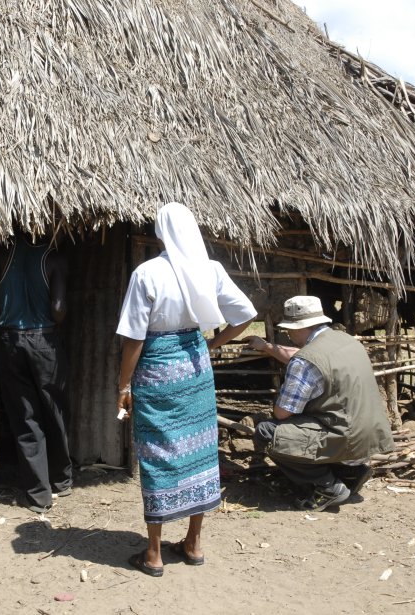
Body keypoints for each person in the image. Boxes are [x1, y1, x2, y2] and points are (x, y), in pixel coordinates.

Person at [116, 202, 257, 577]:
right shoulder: (209, 271)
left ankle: (154, 554)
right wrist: (211, 345)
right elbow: (245, 315)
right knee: (198, 451)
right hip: (196, 368)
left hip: (157, 370)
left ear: (161, 233)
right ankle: (193, 543)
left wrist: (123, 384)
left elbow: (133, 338)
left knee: (157, 454)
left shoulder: (147, 274)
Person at [244, 295, 395, 512]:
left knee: (268, 431)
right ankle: (349, 471)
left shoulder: (305, 361)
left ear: (298, 327)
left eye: (289, 329)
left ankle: (327, 486)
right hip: (370, 435)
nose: (287, 333)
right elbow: (309, 358)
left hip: (345, 437)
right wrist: (267, 346)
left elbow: (282, 413)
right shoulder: (346, 341)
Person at [0, 230, 73, 514]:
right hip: (44, 341)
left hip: (12, 342)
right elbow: (57, 309)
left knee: (25, 417)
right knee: (54, 409)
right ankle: (62, 480)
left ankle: (38, 496)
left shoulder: (2, 256)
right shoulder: (54, 259)